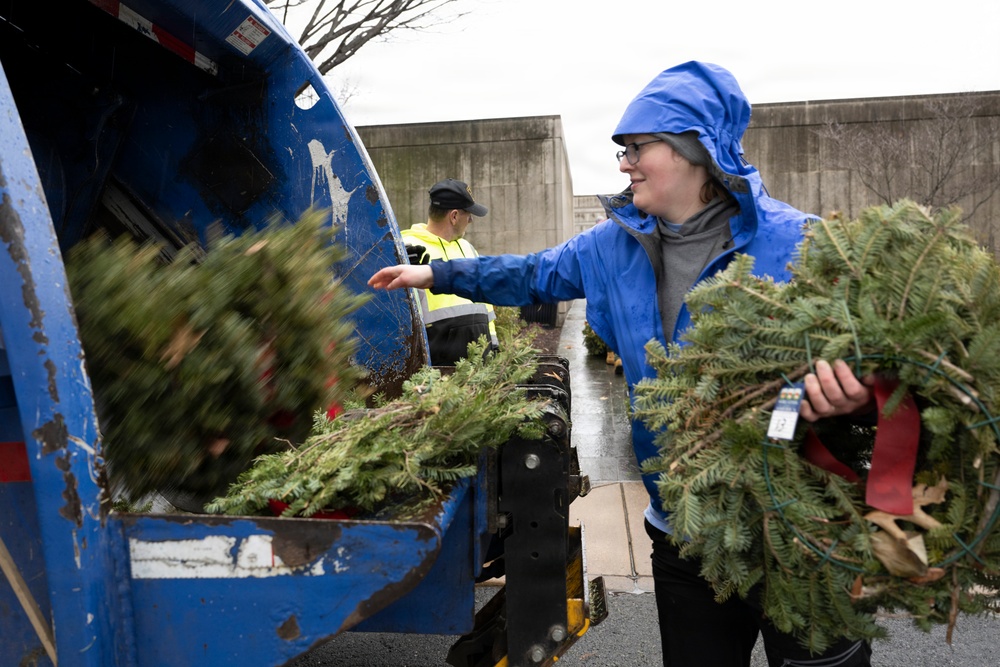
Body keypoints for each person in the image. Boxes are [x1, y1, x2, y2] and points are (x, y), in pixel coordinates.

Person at [370, 61, 875, 666]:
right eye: (622, 150)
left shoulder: (800, 244)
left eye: (639, 147)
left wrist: (858, 393)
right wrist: (434, 272)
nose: (625, 162)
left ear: (698, 149)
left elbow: (882, 365)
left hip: (801, 534)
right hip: (682, 532)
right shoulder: (613, 245)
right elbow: (534, 273)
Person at [401, 178, 498, 365]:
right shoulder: (407, 250)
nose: (470, 220)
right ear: (454, 216)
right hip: (438, 371)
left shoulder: (469, 249)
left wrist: (493, 344)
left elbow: (486, 304)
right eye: (468, 214)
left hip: (479, 365)